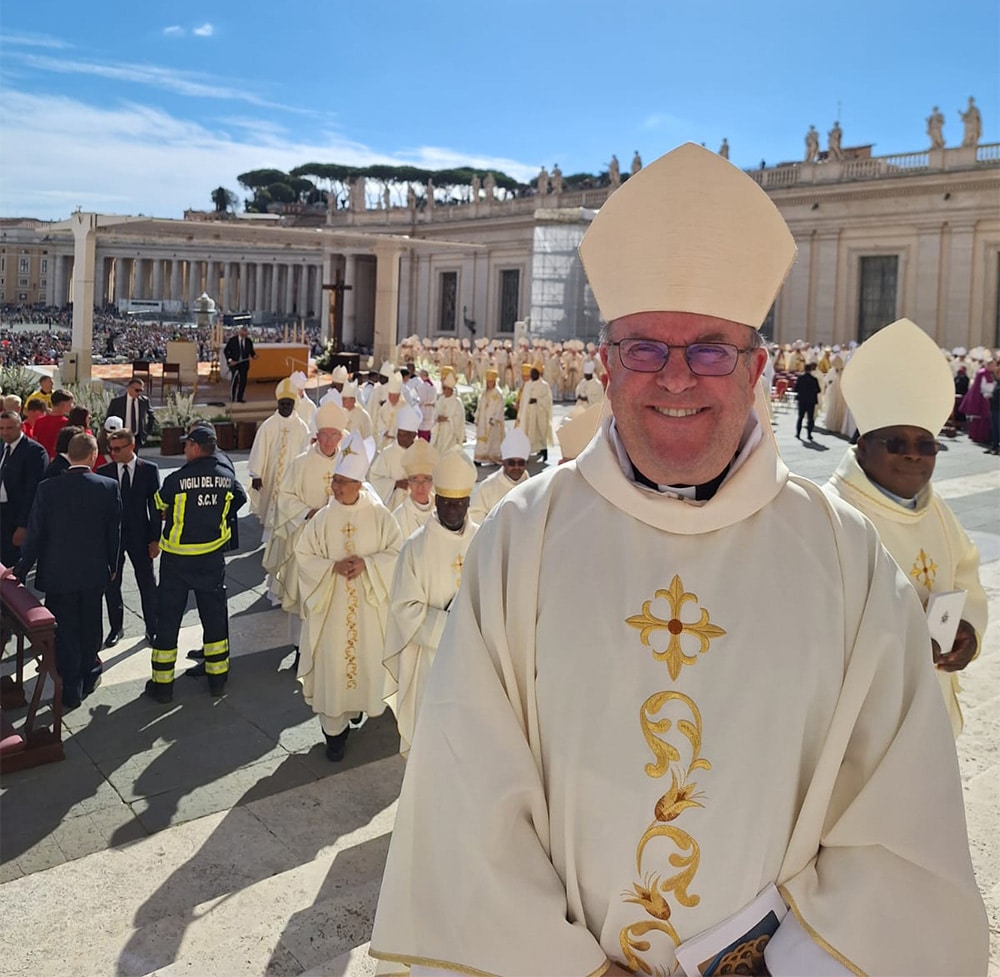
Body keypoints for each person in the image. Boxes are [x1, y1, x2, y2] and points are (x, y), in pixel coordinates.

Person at [370, 143, 987, 977]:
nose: (676, 378)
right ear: (606, 365)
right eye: (644, 349)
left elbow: (900, 820)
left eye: (709, 349)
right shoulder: (521, 540)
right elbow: (463, 798)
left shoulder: (847, 556)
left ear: (758, 369)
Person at [824, 317, 988, 738]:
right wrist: (902, 644)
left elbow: (966, 578)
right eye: (895, 443)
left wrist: (967, 633)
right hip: (864, 725)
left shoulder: (937, 513)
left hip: (931, 709)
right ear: (861, 448)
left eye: (926, 444)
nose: (914, 456)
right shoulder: (827, 516)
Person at [293, 432, 402, 762]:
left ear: (358, 482)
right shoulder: (323, 519)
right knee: (333, 667)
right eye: (335, 480)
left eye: (342, 481)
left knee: (364, 662)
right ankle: (334, 733)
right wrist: (331, 568)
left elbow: (398, 552)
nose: (335, 487)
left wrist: (368, 564)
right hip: (332, 610)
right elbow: (303, 555)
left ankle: (357, 709)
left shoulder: (381, 516)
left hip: (369, 611)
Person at [12, 433, 120, 711]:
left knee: (65, 630)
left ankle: (70, 686)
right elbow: (114, 533)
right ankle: (88, 673)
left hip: (58, 574)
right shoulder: (108, 486)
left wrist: (22, 570)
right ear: (94, 455)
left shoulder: (48, 489)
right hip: (94, 572)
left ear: (67, 455)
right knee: (91, 625)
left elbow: (35, 536)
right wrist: (113, 566)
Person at [383, 449, 479, 757]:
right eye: (447, 503)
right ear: (436, 501)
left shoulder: (484, 541)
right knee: (433, 741)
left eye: (460, 504)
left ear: (468, 502)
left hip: (476, 656)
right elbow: (403, 608)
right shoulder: (416, 548)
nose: (453, 510)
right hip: (431, 660)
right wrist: (451, 625)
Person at [144, 426, 246, 704]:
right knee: (214, 619)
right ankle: (217, 680)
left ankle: (162, 686)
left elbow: (157, 504)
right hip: (211, 558)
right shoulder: (227, 477)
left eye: (187, 445)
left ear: (195, 447)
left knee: (168, 621)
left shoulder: (176, 479)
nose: (184, 449)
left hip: (177, 560)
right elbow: (240, 498)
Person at [264, 401, 349, 655]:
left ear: (341, 437)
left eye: (334, 435)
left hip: (335, 540)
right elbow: (285, 497)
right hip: (305, 535)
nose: (329, 440)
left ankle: (325, 645)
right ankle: (300, 646)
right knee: (303, 592)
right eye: (325, 434)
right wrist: (309, 512)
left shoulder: (348, 465)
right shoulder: (300, 463)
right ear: (317, 435)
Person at [96, 427, 160, 648]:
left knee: (147, 583)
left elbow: (154, 507)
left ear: (131, 446)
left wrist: (155, 539)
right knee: (112, 584)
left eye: (117, 448)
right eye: (110, 448)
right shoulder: (104, 471)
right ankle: (116, 628)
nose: (113, 453)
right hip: (113, 538)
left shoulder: (149, 470)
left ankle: (152, 627)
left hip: (141, 537)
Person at [248, 379, 311, 543]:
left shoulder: (302, 427)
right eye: (282, 404)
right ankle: (269, 537)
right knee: (271, 505)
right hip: (271, 474)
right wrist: (256, 475)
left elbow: (306, 453)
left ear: (294, 404)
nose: (285, 407)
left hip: (292, 476)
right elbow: (259, 449)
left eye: (288, 404)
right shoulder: (269, 425)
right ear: (278, 404)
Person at [0, 410, 49, 568]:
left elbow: (33, 492)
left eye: (9, 428)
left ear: (21, 426)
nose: (5, 432)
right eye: (1, 428)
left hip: (16, 518)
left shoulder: (35, 452)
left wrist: (23, 525)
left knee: (12, 565)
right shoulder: (1, 448)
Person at [468, 427, 530, 525]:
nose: (516, 467)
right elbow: (476, 516)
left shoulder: (533, 486)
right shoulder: (488, 486)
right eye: (511, 462)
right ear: (503, 462)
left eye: (521, 463)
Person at [369, 405, 421, 511]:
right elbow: (374, 477)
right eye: (400, 434)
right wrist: (394, 484)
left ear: (413, 435)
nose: (402, 438)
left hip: (416, 505)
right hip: (393, 506)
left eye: (406, 435)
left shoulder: (421, 454)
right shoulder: (387, 454)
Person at [392, 439, 440, 539]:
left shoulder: (441, 510)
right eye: (415, 480)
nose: (420, 486)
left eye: (425, 480)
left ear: (432, 482)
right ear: (409, 482)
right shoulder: (399, 516)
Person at [515, 365, 553, 461]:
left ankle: (544, 451)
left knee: (540, 433)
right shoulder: (527, 385)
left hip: (539, 413)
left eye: (534, 374)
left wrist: (537, 400)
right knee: (527, 432)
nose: (532, 375)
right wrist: (520, 413)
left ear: (538, 374)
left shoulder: (544, 385)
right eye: (531, 374)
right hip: (528, 413)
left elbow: (547, 400)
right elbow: (523, 399)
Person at [107, 377, 155, 451]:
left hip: (136, 437)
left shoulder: (144, 401)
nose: (139, 393)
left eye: (141, 390)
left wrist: (146, 432)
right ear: (129, 388)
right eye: (137, 390)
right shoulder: (116, 402)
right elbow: (108, 419)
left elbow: (151, 416)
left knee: (134, 460)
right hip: (120, 436)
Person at [473, 368, 505, 464]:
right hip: (483, 420)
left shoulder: (498, 393)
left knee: (492, 440)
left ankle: (493, 457)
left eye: (491, 381)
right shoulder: (484, 393)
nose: (490, 383)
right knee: (481, 439)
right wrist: (477, 416)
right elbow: (480, 406)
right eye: (488, 382)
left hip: (492, 421)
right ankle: (479, 458)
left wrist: (495, 419)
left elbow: (500, 407)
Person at [32, 388, 74, 459]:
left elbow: (34, 440)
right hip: (57, 459)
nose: (72, 406)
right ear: (62, 404)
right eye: (70, 404)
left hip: (40, 457)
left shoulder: (39, 421)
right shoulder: (66, 423)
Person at [430, 373, 465, 455]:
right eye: (443, 388)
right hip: (440, 430)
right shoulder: (441, 399)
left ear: (451, 389)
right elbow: (435, 412)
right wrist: (437, 418)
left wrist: (448, 419)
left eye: (446, 388)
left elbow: (459, 418)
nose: (444, 390)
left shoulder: (457, 402)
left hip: (451, 431)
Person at [223, 325, 256, 403]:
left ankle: (239, 398)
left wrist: (254, 356)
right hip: (234, 364)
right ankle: (232, 397)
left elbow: (251, 352)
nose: (244, 336)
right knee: (234, 380)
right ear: (239, 333)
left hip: (244, 364)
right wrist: (230, 360)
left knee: (243, 381)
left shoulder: (248, 341)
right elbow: (226, 351)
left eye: (245, 335)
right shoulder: (232, 340)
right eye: (242, 335)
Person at [793, 362, 821, 440]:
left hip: (802, 400)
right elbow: (818, 390)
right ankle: (809, 434)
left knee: (800, 417)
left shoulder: (800, 378)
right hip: (811, 401)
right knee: (810, 418)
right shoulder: (814, 379)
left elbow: (795, 389)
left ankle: (798, 433)